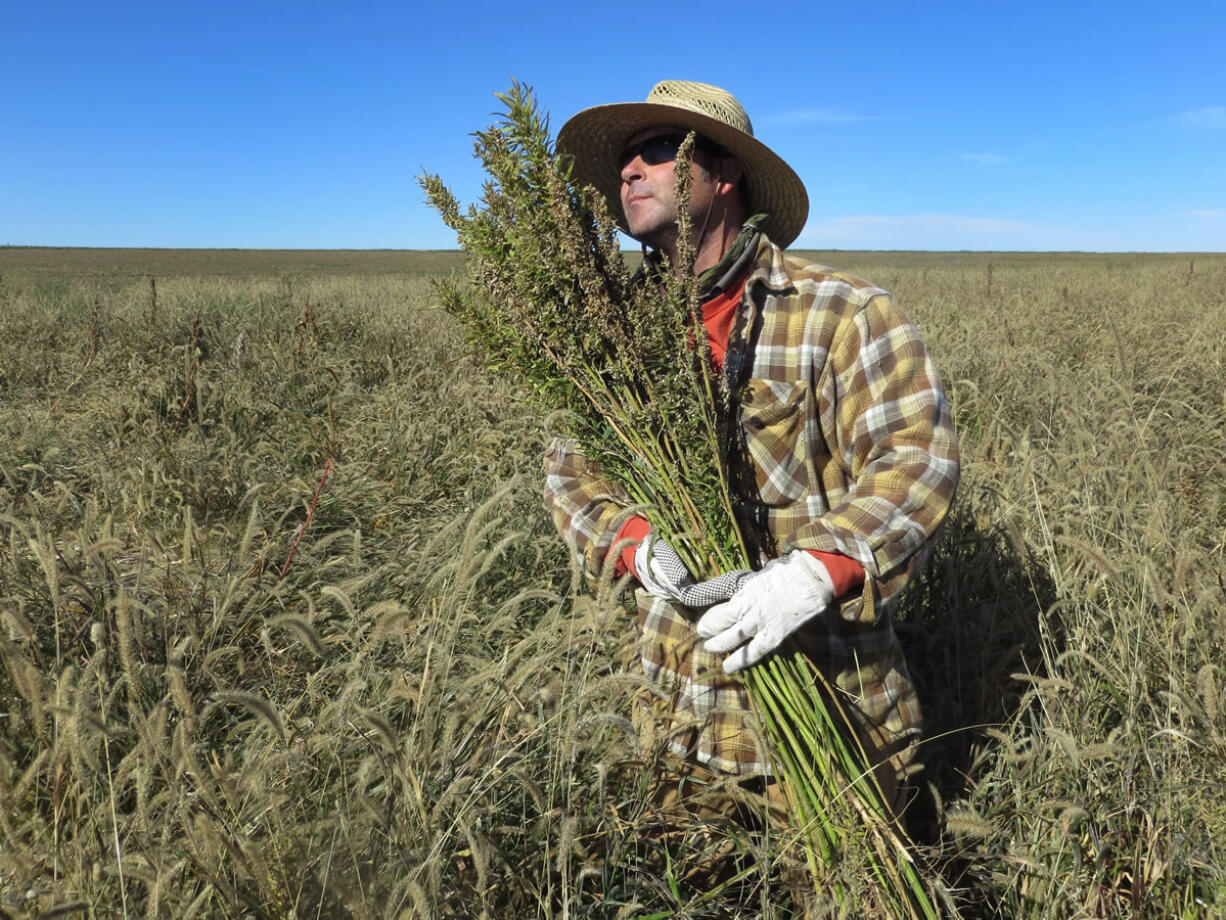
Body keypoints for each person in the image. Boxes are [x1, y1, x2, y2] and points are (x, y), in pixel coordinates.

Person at [543, 80, 960, 822]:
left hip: (832, 721)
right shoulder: (613, 337)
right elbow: (570, 473)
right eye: (626, 158)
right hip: (675, 714)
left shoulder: (843, 314)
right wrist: (635, 546)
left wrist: (816, 570)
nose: (630, 170)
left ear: (724, 173)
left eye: (659, 150)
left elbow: (916, 460)